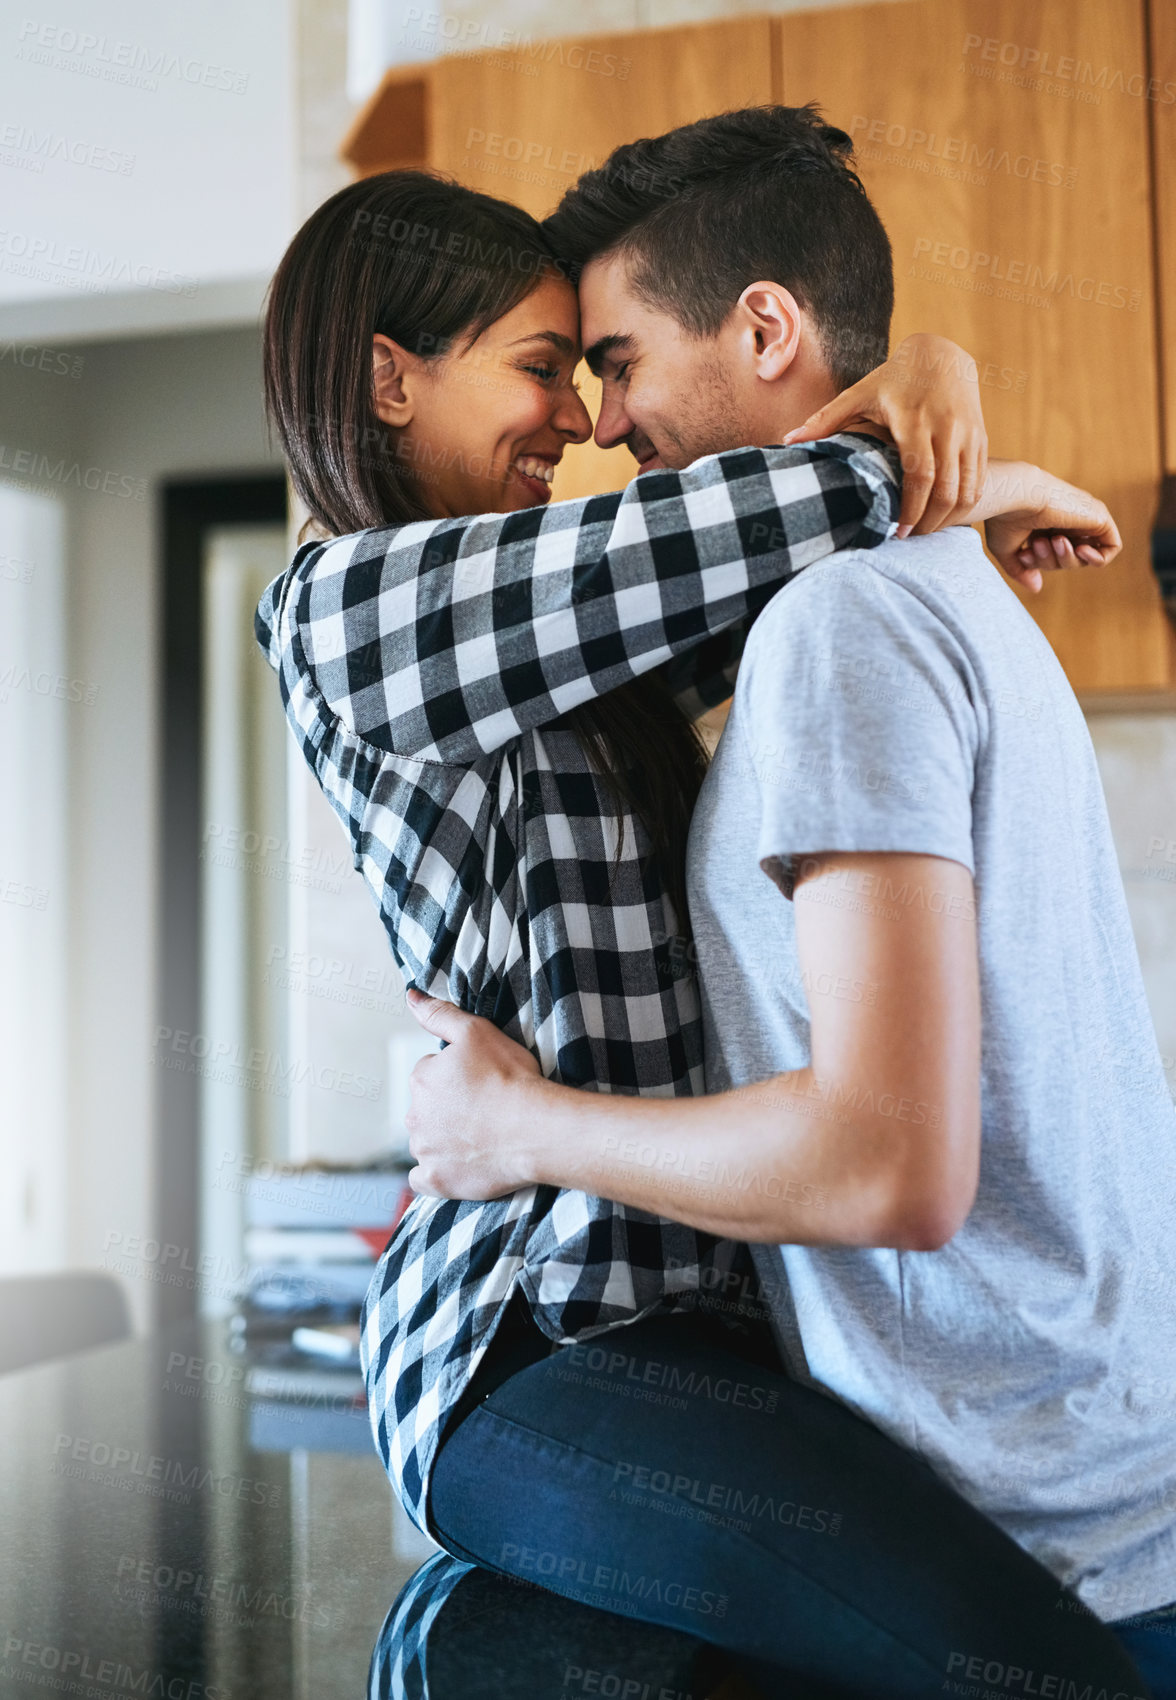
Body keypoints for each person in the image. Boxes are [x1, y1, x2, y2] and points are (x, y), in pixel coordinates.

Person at [256, 125, 1135, 1694]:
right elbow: (754, 524)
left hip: (690, 1316)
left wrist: (941, 438)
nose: (582, 417)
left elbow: (750, 565)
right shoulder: (345, 611)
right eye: (542, 365)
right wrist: (932, 420)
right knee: (1019, 1669)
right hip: (526, 1338)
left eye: (594, 365)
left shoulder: (573, 625)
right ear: (392, 381)